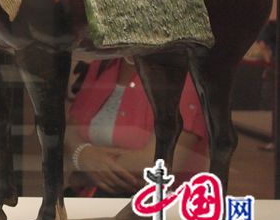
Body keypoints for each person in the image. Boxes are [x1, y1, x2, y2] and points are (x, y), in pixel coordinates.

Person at [64, 57, 208, 197]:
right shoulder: (100, 66)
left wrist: (83, 170)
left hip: (159, 210)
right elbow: (69, 134)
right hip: (87, 201)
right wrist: (82, 155)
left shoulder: (184, 74)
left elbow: (159, 165)